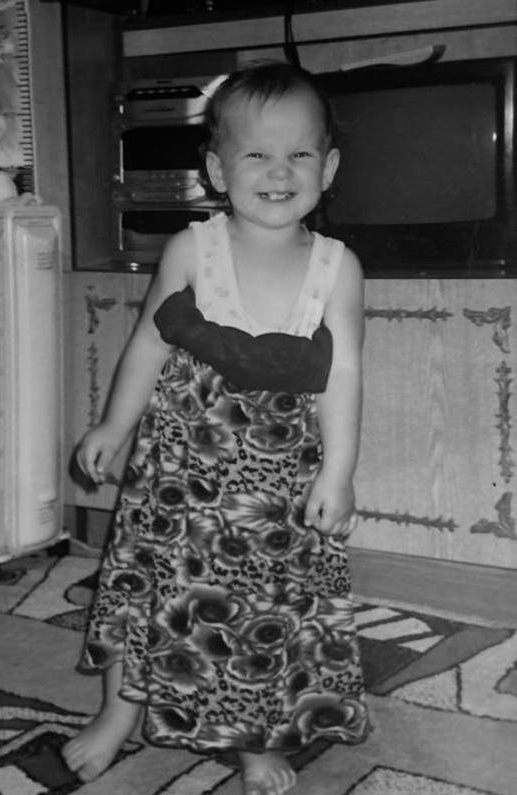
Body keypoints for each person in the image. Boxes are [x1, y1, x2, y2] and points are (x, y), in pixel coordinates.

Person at [63, 61, 369, 795]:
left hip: (273, 496)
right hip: (173, 479)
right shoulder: (190, 250)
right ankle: (117, 711)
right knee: (143, 585)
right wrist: (113, 424)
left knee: (260, 612)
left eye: (299, 153)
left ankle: (253, 735)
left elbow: (345, 372)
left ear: (327, 168)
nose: (279, 170)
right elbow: (148, 342)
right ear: (216, 169)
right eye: (256, 152)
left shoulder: (338, 267)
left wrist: (339, 472)